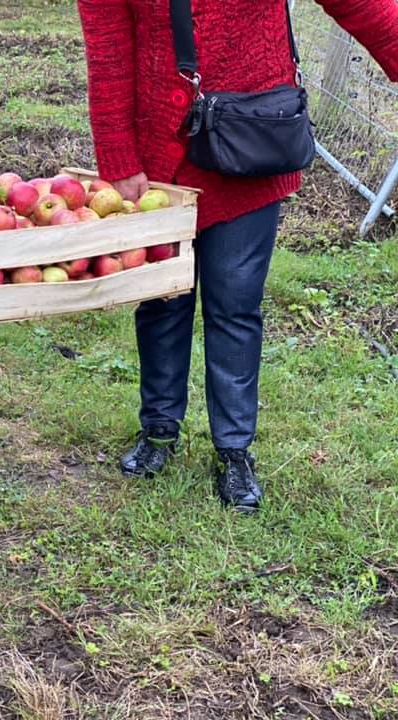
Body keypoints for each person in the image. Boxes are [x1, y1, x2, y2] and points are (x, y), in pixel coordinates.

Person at [77, 0, 398, 512]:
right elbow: (109, 46)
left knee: (236, 304)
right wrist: (118, 158)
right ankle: (158, 430)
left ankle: (234, 451)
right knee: (162, 300)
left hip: (252, 143)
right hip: (162, 160)